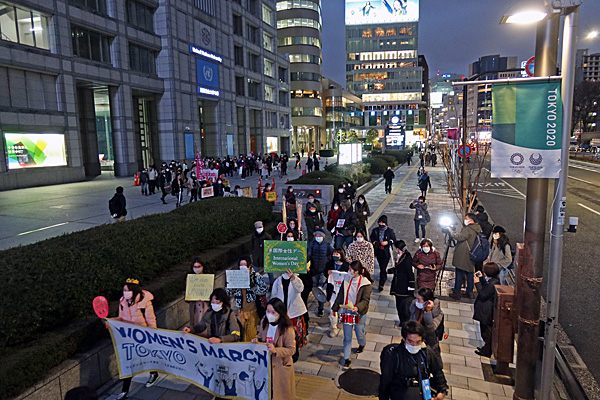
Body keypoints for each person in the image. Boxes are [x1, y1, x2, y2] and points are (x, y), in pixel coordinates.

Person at [379, 321, 449, 400]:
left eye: (418, 342)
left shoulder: (426, 352)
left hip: (423, 392)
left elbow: (437, 372)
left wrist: (442, 391)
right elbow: (385, 382)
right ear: (403, 338)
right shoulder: (393, 354)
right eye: (410, 341)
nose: (414, 345)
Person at [116, 279, 158, 399]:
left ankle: (154, 373)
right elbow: (121, 318)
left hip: (143, 337)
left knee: (147, 356)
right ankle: (124, 391)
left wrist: (153, 335)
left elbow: (151, 320)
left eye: (128, 290)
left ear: (134, 291)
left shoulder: (145, 303)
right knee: (128, 362)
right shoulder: (122, 302)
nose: (125, 293)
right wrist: (111, 321)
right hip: (129, 337)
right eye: (124, 290)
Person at [251, 298, 296, 400]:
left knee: (279, 393)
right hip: (265, 363)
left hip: (280, 365)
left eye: (273, 312)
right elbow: (261, 335)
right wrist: (257, 340)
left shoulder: (288, 329)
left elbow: (291, 350)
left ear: (280, 313)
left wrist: (276, 350)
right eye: (268, 311)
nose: (269, 314)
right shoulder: (264, 321)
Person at [332, 260, 372, 368]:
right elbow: (341, 295)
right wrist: (335, 309)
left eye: (350, 269)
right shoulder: (346, 279)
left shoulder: (365, 284)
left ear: (356, 271)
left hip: (359, 312)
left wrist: (357, 307)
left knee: (359, 332)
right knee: (347, 336)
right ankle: (347, 358)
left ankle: (362, 343)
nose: (348, 271)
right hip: (347, 311)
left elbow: (365, 300)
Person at [226, 257, 268, 342]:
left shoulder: (256, 276)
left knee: (251, 333)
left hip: (253, 310)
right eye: (241, 264)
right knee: (242, 333)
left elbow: (264, 289)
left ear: (250, 265)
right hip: (241, 310)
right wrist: (231, 286)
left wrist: (253, 287)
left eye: (245, 264)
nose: (243, 266)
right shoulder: (235, 276)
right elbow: (229, 293)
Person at [271, 269, 308, 362]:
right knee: (283, 333)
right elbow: (273, 295)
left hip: (294, 312)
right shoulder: (278, 280)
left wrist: (293, 278)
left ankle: (295, 353)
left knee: (295, 334)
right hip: (282, 312)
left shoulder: (297, 279)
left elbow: (300, 288)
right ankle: (284, 351)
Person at [448, 213, 481, 300]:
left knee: (459, 273)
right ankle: (469, 292)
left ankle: (457, 292)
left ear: (471, 220)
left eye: (466, 218)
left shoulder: (469, 229)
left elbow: (459, 237)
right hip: (471, 254)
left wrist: (451, 231)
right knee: (469, 274)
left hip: (463, 255)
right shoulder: (477, 228)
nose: (465, 220)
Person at [473, 262, 500, 358]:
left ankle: (487, 351)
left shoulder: (493, 283)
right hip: (485, 309)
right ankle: (486, 348)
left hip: (486, 311)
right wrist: (481, 278)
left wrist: (477, 283)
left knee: (486, 332)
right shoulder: (493, 280)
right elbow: (486, 287)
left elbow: (483, 294)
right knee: (484, 330)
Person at [408, 287, 444, 356]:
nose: (416, 301)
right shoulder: (416, 306)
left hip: (429, 342)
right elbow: (411, 317)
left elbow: (430, 328)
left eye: (419, 300)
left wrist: (428, 311)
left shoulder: (437, 313)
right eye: (416, 299)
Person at [387, 241, 414, 327]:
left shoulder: (407, 258)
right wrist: (391, 270)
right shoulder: (400, 256)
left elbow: (410, 273)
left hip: (403, 286)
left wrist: (411, 285)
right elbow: (398, 268)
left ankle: (406, 322)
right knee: (399, 305)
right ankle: (402, 321)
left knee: (404, 306)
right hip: (397, 284)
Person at [307, 229, 333, 317]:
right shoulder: (311, 244)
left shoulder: (327, 245)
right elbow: (308, 255)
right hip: (314, 270)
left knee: (320, 289)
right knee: (313, 287)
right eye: (317, 236)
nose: (318, 237)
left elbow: (332, 255)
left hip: (323, 270)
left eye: (320, 236)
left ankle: (320, 308)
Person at [325, 248, 350, 337]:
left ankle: (343, 321)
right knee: (333, 309)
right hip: (333, 291)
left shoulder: (347, 265)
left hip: (344, 292)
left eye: (337, 254)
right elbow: (325, 273)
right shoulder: (330, 264)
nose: (335, 256)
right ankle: (333, 327)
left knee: (344, 309)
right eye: (334, 254)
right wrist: (328, 273)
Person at [370, 215, 396, 291]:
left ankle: (381, 283)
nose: (381, 224)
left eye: (383, 223)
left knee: (383, 267)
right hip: (378, 251)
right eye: (380, 222)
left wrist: (387, 242)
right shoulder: (375, 230)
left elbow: (393, 240)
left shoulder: (390, 231)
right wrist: (375, 242)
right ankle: (384, 275)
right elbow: (372, 238)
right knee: (381, 266)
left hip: (386, 252)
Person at [188, 258, 211, 328]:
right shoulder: (190, 278)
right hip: (194, 306)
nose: (197, 268)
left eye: (199, 266)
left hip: (205, 305)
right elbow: (187, 293)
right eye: (195, 267)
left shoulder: (208, 278)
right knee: (194, 323)